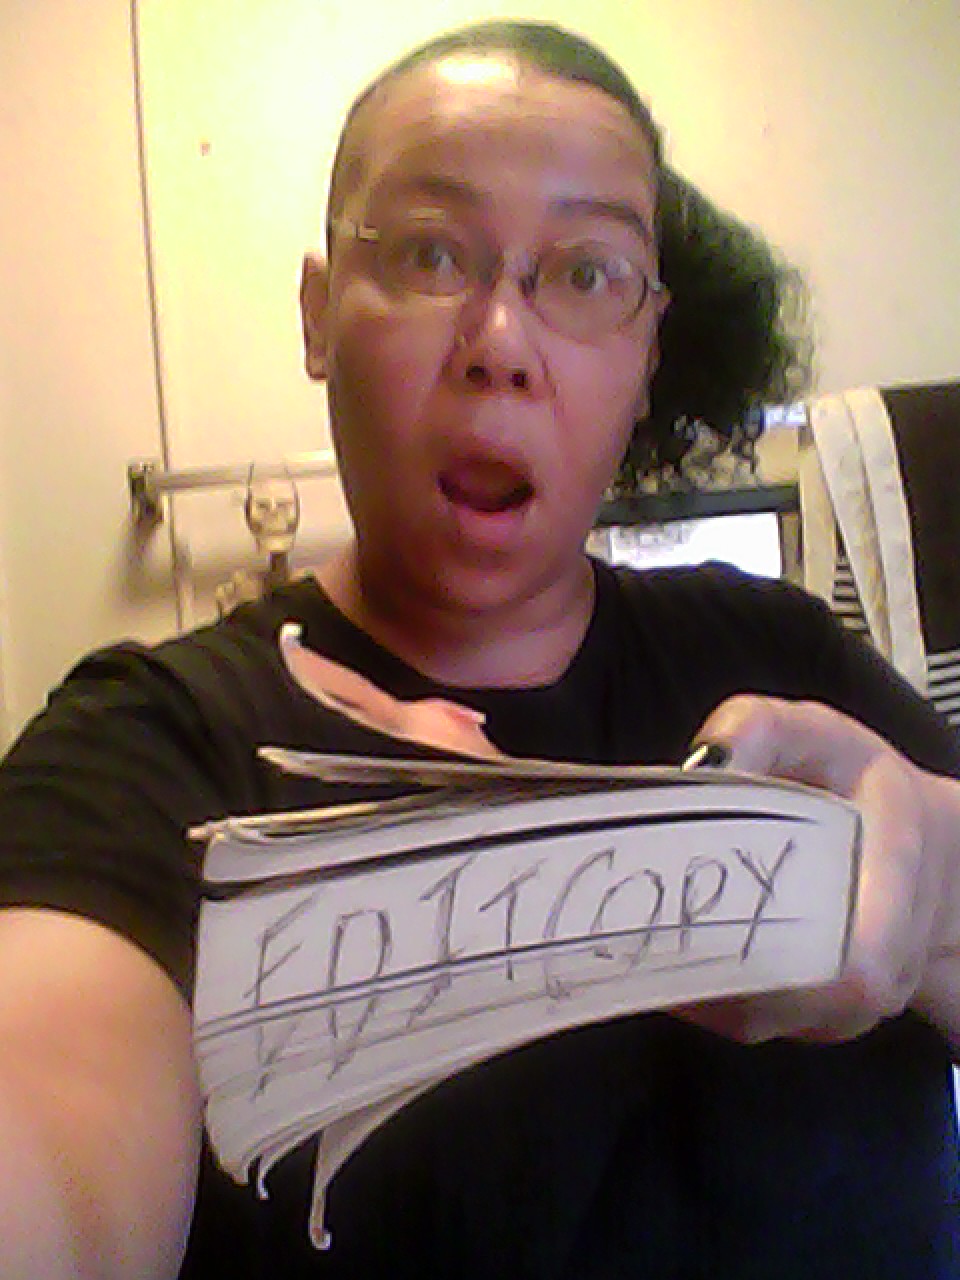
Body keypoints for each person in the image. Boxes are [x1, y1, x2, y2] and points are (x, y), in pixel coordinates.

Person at [1, 18, 959, 1279]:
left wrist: (931, 877)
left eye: (587, 273)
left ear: (648, 352)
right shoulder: (147, 743)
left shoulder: (782, 652)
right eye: (430, 252)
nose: (500, 342)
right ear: (318, 317)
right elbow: (47, 1138)